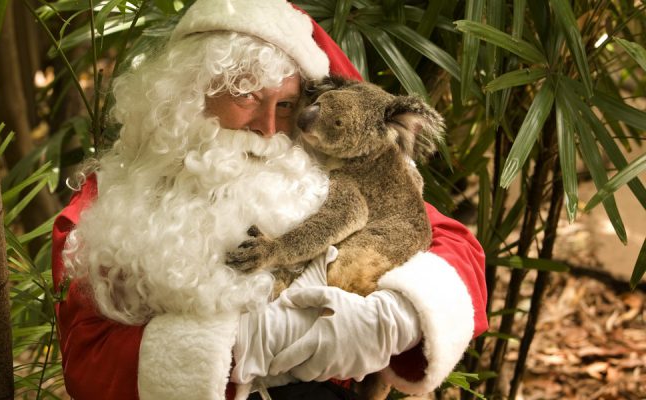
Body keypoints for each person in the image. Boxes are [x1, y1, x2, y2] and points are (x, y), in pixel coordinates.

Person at [50, 0, 488, 399]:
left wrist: (397, 316)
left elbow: (453, 244)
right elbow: (89, 362)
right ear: (188, 93)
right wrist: (248, 344)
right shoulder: (114, 201)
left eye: (286, 105)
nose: (267, 126)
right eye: (247, 97)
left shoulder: (322, 162)